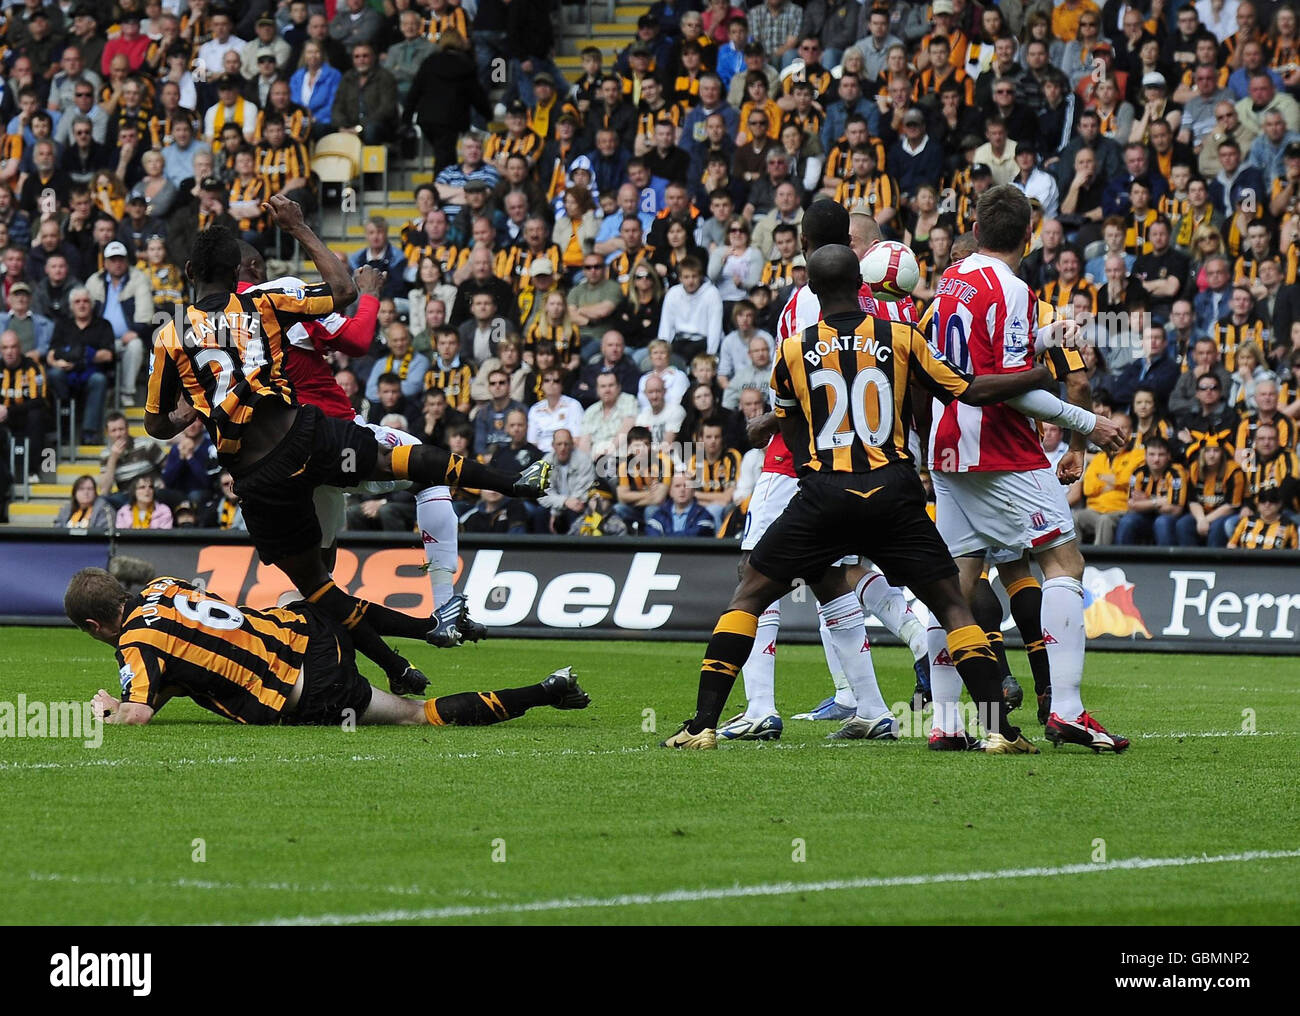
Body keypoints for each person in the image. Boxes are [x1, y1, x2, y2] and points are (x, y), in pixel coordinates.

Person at [662, 240, 1068, 751]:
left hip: (823, 495)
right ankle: (1000, 730)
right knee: (951, 606)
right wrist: (1044, 372)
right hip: (893, 496)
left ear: (811, 288)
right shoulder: (902, 336)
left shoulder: (790, 352)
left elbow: (788, 431)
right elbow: (970, 390)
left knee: (749, 595)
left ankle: (702, 726)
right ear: (863, 285)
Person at [146, 206, 551, 699]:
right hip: (317, 440)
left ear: (189, 272)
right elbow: (356, 333)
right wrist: (361, 283)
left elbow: (155, 424)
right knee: (420, 462)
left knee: (318, 583)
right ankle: (454, 589)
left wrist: (192, 411)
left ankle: (386, 665)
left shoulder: (172, 335)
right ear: (244, 273)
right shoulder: (268, 305)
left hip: (256, 477)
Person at [922, 184, 1130, 753]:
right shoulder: (1011, 287)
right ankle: (1065, 708)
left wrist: (1040, 336)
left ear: (978, 229)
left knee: (958, 580)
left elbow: (970, 355)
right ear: (1030, 235)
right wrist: (1090, 426)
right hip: (998, 447)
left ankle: (946, 722)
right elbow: (1011, 390)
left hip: (946, 443)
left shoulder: (952, 279)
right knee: (1064, 561)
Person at [65, 570, 589, 728]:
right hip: (306, 635)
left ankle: (547, 690)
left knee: (416, 717)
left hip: (310, 690)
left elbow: (135, 714)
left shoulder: (136, 643)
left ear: (94, 624)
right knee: (315, 595)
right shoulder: (163, 585)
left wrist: (108, 711)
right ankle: (407, 652)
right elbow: (190, 662)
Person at [1228, 485, 1299, 547]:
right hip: (1246, 562)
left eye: (1272, 500)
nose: (1267, 504)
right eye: (1263, 500)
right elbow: (1231, 544)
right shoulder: (1246, 521)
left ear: (1280, 504)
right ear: (1257, 503)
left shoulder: (1289, 526)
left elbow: (1295, 553)